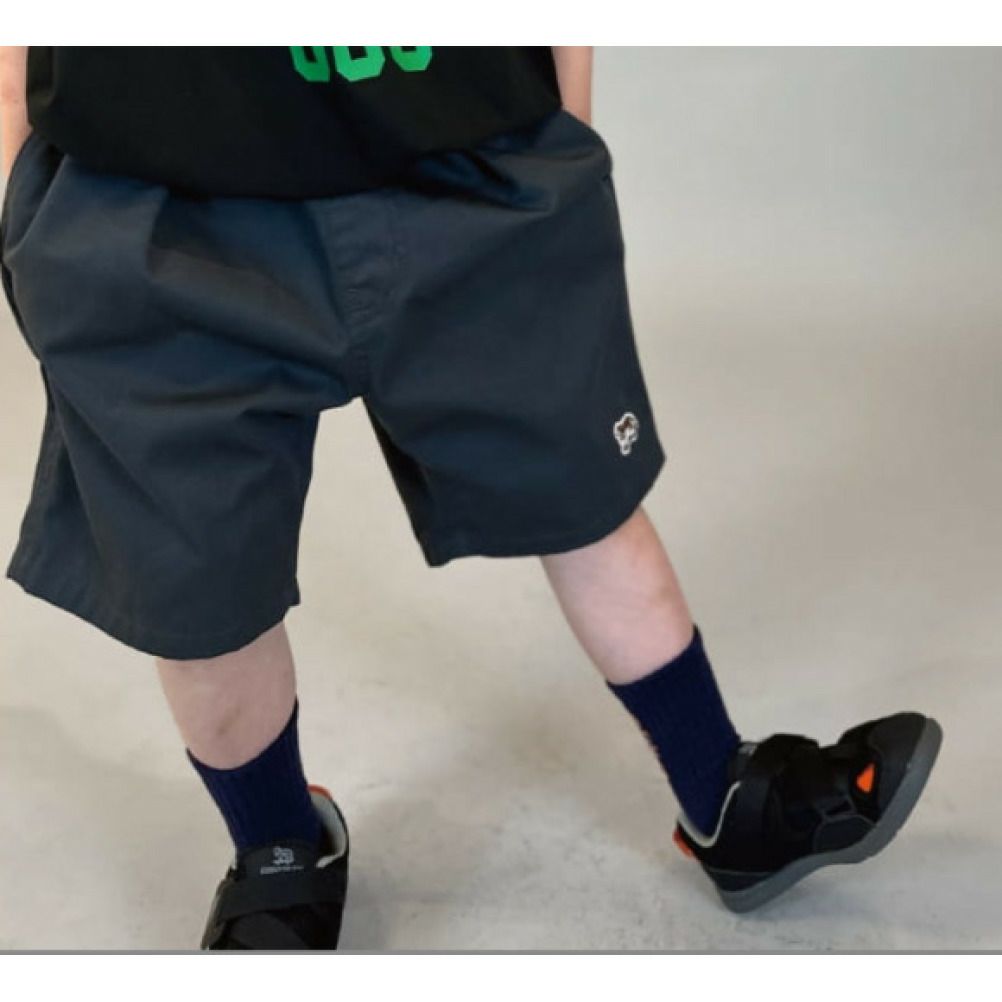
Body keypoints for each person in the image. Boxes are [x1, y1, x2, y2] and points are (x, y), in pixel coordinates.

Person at [0, 46, 942, 951]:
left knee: (586, 502)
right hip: (155, 208)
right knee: (198, 593)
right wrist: (19, 190)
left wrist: (564, 126)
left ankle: (722, 793)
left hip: (459, 168)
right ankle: (278, 846)